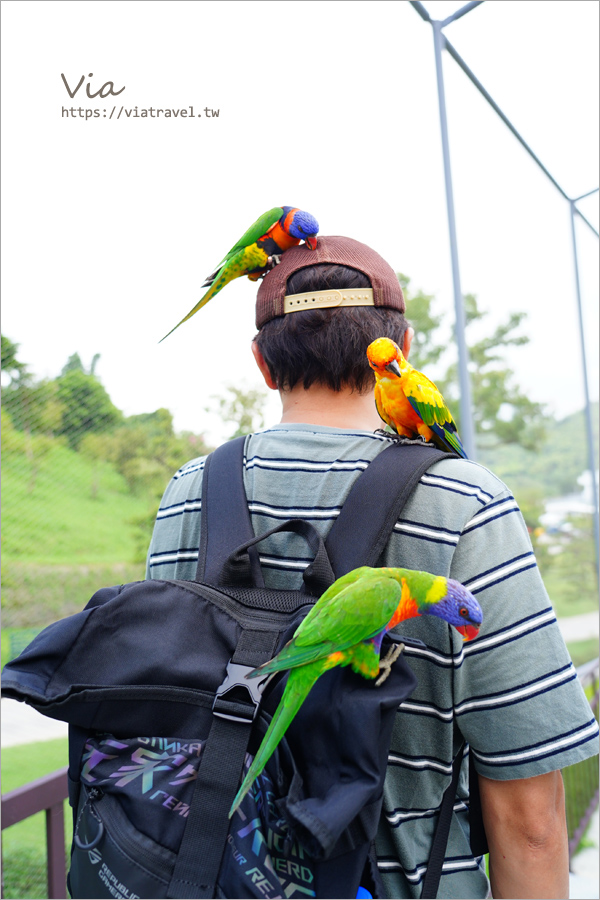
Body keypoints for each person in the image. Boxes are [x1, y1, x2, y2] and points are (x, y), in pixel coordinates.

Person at [147, 235, 599, 899]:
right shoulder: (466, 500)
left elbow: (163, 717)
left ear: (262, 364)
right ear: (402, 349)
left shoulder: (187, 492)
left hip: (219, 877)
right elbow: (530, 812)